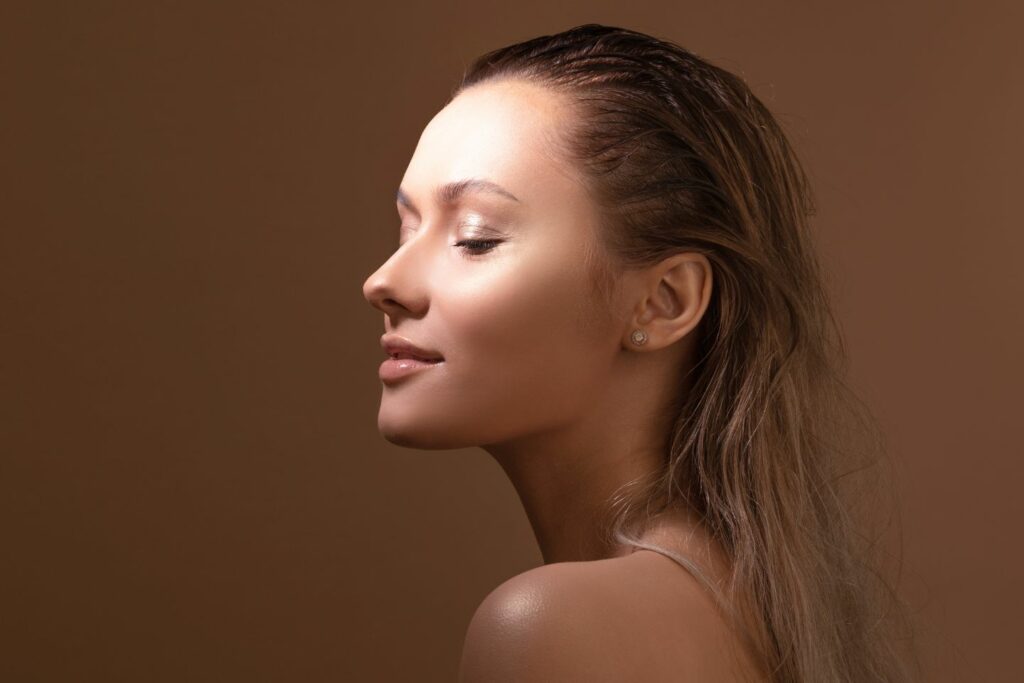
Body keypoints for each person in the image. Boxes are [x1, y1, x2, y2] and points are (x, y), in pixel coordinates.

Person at [362, 23, 917, 682]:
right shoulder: (757, 604)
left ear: (663, 300)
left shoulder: (549, 628)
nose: (383, 281)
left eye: (475, 238)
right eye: (406, 229)